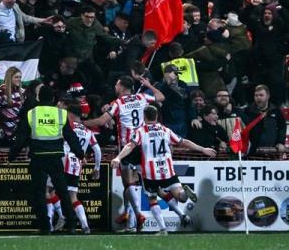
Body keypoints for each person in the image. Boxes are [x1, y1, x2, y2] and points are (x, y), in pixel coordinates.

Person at [111, 105, 216, 235]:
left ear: (144, 116)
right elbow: (184, 142)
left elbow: (130, 146)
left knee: (153, 199)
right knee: (180, 197)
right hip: (167, 169)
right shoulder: (165, 130)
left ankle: (163, 229)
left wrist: (118, 158)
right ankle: (185, 193)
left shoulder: (141, 131)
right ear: (157, 117)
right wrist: (202, 149)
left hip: (150, 172)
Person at [84, 75, 165, 232]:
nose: (115, 87)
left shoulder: (118, 103)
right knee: (145, 184)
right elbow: (161, 97)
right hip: (143, 144)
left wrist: (81, 123)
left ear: (122, 87)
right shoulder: (142, 97)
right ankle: (131, 220)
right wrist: (150, 85)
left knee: (129, 183)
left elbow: (101, 121)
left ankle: (137, 215)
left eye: (116, 84)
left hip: (127, 146)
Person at [9, 86, 83, 234]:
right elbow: (70, 136)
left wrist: (12, 155)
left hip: (38, 157)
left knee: (39, 193)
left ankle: (45, 226)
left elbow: (21, 137)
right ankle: (71, 225)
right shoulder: (61, 114)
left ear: (39, 98)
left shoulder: (32, 113)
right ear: (54, 99)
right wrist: (80, 153)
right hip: (55, 157)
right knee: (62, 192)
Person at [55, 99, 102, 234]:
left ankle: (61, 217)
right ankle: (85, 225)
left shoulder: (67, 127)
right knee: (73, 197)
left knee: (49, 191)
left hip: (64, 161)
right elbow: (97, 150)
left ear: (71, 114)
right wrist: (96, 168)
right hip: (77, 165)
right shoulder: (88, 132)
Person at [244, 85, 286, 155]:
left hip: (272, 151)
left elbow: (282, 127)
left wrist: (280, 142)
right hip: (252, 152)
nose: (258, 98)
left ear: (268, 96)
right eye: (256, 95)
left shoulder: (275, 110)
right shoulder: (248, 111)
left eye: (261, 95)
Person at [0, 67, 25, 145]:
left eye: (20, 77)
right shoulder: (0, 91)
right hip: (3, 131)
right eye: (16, 77)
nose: (19, 79)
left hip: (18, 131)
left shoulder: (22, 92)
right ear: (9, 78)